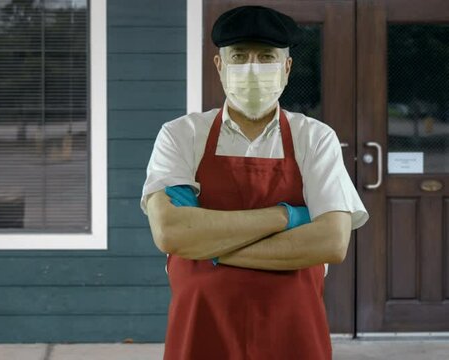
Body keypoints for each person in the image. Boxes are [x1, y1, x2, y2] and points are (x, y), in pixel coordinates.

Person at [140, 5, 369, 359]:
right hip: (202, 329)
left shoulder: (315, 138)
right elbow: (172, 232)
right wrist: (289, 217)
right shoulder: (182, 136)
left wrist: (210, 249)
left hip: (293, 332)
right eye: (239, 56)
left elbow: (332, 240)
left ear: (287, 68)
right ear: (220, 65)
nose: (252, 68)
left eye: (266, 57)